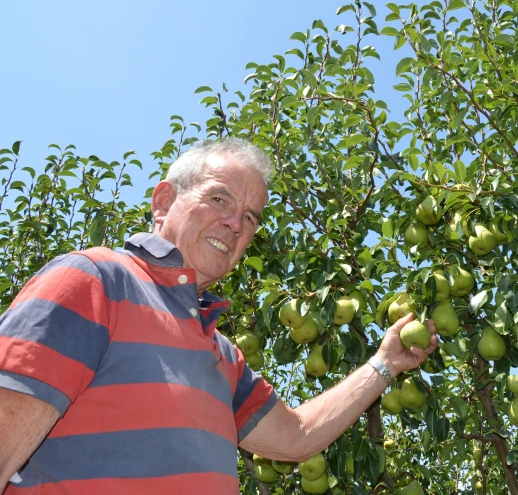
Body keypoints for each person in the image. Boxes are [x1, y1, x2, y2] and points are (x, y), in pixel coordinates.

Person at [0, 137, 438, 494]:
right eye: (219, 198)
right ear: (163, 201)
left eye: (250, 217)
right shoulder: (96, 281)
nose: (235, 224)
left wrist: (385, 364)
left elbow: (296, 437)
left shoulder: (220, 352)